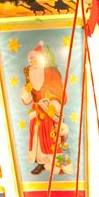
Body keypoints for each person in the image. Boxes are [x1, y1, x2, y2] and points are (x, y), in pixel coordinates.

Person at [20, 42, 67, 175]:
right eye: (31, 60)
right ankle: (41, 163)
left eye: (36, 59)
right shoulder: (30, 75)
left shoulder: (51, 73)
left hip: (50, 111)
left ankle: (59, 165)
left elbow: (60, 91)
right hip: (37, 113)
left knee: (54, 137)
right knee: (38, 138)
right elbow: (27, 100)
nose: (33, 62)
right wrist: (26, 90)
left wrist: (53, 103)